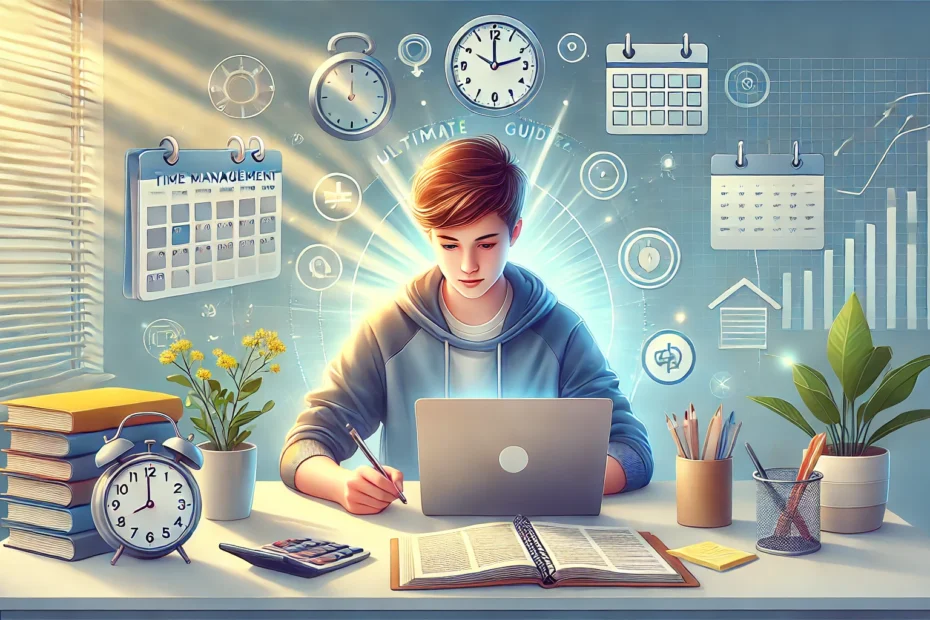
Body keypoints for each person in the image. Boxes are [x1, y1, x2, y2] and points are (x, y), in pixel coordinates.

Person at [280, 135, 653, 515]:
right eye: (449, 244)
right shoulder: (387, 329)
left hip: (541, 531)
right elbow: (304, 445)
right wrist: (344, 485)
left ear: (516, 233)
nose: (468, 265)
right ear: (429, 237)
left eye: (487, 244)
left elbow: (632, 452)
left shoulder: (562, 331)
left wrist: (542, 485)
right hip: (418, 537)